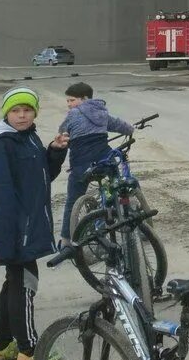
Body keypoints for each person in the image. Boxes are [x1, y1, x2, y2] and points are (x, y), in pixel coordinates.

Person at [0, 87, 68, 360]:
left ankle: (1, 345)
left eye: (27, 110)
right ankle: (29, 349)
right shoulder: (2, 144)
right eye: (15, 110)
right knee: (26, 283)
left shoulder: (27, 138)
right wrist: (11, 235)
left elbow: (41, 177)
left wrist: (54, 152)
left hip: (26, 226)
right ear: (6, 113)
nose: (22, 115)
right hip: (17, 230)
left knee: (14, 282)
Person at [56, 82, 135, 244]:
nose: (69, 104)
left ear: (84, 99)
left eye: (72, 100)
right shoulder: (102, 112)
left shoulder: (73, 114)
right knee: (117, 183)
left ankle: (66, 240)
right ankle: (119, 209)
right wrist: (131, 129)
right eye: (68, 101)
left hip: (81, 165)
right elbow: (119, 125)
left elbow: (63, 131)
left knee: (72, 201)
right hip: (104, 160)